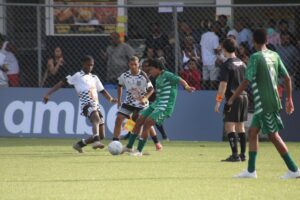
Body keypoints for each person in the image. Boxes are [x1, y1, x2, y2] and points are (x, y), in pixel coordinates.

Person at [228, 29, 300, 179]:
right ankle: (251, 171)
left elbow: (247, 81)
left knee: (273, 136)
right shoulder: (274, 55)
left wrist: (233, 97)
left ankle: (294, 170)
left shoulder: (255, 57)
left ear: (253, 42)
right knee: (252, 133)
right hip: (271, 100)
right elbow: (287, 78)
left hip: (264, 102)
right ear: (267, 41)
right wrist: (289, 99)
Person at [43, 55, 117, 153]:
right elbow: (61, 83)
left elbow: (102, 91)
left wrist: (111, 100)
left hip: (96, 105)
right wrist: (48, 93)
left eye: (92, 65)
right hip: (86, 104)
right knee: (96, 118)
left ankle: (79, 144)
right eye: (88, 65)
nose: (90, 67)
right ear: (83, 64)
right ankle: (96, 141)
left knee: (102, 134)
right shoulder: (77, 75)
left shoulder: (94, 77)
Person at [123, 59, 195, 156]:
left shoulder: (168, 75)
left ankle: (139, 151)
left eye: (151, 69)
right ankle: (129, 147)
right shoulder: (157, 78)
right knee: (139, 120)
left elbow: (180, 80)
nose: (150, 71)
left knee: (147, 123)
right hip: (156, 104)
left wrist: (186, 87)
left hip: (165, 106)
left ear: (158, 68)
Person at [112, 56, 163, 150]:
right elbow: (119, 86)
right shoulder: (124, 75)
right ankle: (115, 142)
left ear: (138, 64)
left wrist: (145, 98)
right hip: (129, 103)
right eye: (131, 64)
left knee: (145, 122)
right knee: (119, 118)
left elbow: (151, 89)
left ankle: (157, 143)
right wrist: (119, 100)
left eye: (135, 64)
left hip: (141, 104)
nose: (133, 66)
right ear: (129, 65)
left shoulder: (143, 76)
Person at [214, 38, 248, 162]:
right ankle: (243, 155)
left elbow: (223, 85)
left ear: (224, 49)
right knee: (241, 126)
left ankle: (235, 155)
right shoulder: (242, 63)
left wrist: (218, 101)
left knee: (229, 126)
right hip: (244, 97)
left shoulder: (226, 65)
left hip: (233, 98)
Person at [200, 21, 221, 90]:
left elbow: (201, 46)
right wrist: (220, 50)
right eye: (218, 28)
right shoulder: (215, 37)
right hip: (212, 61)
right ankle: (211, 92)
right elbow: (216, 50)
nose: (219, 29)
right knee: (213, 79)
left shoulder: (204, 35)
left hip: (204, 60)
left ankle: (203, 92)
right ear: (215, 28)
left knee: (205, 78)